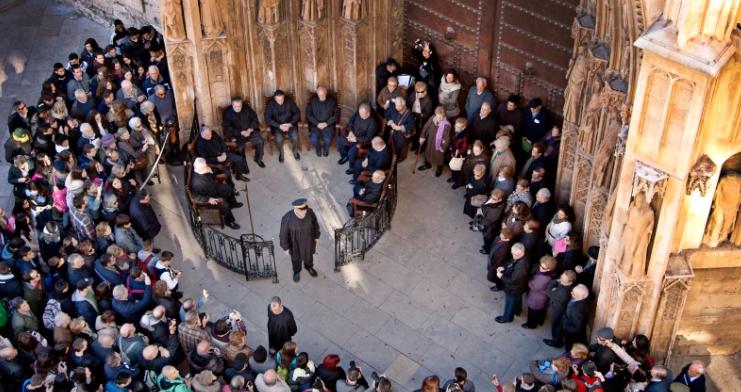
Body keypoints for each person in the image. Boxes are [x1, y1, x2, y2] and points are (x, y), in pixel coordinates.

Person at [190, 157, 242, 230]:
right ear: (200, 169)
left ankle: (233, 204)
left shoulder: (202, 169)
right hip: (209, 195)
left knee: (228, 188)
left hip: (213, 187)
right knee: (224, 204)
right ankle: (229, 221)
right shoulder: (196, 182)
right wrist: (208, 199)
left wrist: (210, 171)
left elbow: (212, 177)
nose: (207, 166)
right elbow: (194, 196)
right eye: (205, 166)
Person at [279, 199, 321, 282]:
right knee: (296, 259)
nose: (304, 213)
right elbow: (283, 234)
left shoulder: (310, 212)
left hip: (308, 241)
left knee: (309, 256)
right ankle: (296, 271)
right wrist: (285, 248)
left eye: (305, 211)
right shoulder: (287, 218)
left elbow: (315, 224)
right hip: (295, 244)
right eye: (302, 211)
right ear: (296, 209)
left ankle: (309, 267)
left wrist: (317, 236)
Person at [222, 97, 265, 168]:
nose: (238, 108)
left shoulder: (247, 108)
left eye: (240, 106)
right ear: (232, 105)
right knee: (240, 148)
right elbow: (228, 128)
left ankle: (258, 159)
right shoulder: (228, 113)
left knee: (260, 141)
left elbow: (254, 119)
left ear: (242, 104)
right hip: (239, 135)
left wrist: (250, 129)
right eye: (236, 106)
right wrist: (240, 132)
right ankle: (244, 165)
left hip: (250, 131)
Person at [495, 243, 529, 323]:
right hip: (519, 288)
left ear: (521, 253)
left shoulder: (521, 267)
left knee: (509, 304)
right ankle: (517, 311)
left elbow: (514, 280)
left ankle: (507, 318)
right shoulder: (520, 256)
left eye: (515, 255)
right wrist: (504, 266)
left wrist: (501, 276)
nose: (513, 256)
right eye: (512, 253)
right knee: (517, 300)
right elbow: (512, 261)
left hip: (513, 289)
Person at [265, 90, 301, 162]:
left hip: (290, 124)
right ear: (275, 98)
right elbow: (267, 118)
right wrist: (279, 126)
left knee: (295, 137)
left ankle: (295, 151)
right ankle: (281, 153)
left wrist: (290, 123)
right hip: (278, 126)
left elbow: (297, 113)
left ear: (284, 97)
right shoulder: (270, 104)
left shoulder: (289, 101)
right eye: (278, 100)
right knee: (278, 139)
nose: (280, 101)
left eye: (282, 99)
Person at [523, 256, 557, 329]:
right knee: (541, 310)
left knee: (532, 312)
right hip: (543, 297)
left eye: (543, 268)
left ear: (549, 269)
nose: (540, 268)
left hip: (536, 298)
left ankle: (531, 325)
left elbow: (534, 287)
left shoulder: (544, 278)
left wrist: (529, 281)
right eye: (540, 265)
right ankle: (540, 321)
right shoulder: (549, 274)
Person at [417, 106, 451, 176]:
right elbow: (426, 126)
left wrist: (443, 147)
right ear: (435, 114)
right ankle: (427, 165)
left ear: (444, 115)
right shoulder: (432, 118)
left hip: (439, 145)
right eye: (438, 117)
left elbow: (447, 138)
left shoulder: (446, 125)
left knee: (440, 158)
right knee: (428, 153)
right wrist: (422, 136)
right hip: (430, 140)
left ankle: (439, 169)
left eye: (441, 117)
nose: (439, 119)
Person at [306, 87, 337, 157]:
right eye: (319, 95)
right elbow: (308, 114)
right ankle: (318, 148)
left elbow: (336, 115)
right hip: (315, 125)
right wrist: (317, 123)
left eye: (323, 95)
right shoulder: (312, 101)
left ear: (326, 93)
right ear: (317, 94)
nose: (321, 96)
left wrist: (327, 123)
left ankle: (326, 149)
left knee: (328, 140)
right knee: (313, 138)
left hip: (328, 125)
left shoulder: (332, 101)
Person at [406, 81, 434, 151]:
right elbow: (408, 104)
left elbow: (427, 113)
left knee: (420, 133)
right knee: (412, 132)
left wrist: (419, 115)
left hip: (421, 119)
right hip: (412, 116)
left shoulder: (428, 100)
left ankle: (420, 148)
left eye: (422, 91)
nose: (420, 94)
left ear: (425, 91)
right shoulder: (412, 95)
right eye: (418, 92)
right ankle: (414, 145)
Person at [562, 284, 589, 350]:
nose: (571, 293)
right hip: (571, 322)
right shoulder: (580, 299)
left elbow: (577, 327)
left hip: (572, 331)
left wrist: (566, 327)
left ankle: (568, 355)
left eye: (573, 293)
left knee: (569, 344)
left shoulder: (577, 310)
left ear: (580, 296)